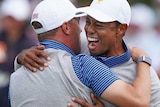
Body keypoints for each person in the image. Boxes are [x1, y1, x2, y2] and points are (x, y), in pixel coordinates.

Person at [9, 0, 152, 107]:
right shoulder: (83, 65)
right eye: (78, 22)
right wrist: (143, 59)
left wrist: (19, 60)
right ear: (66, 27)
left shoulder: (16, 78)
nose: (82, 29)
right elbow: (139, 101)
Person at [0, 0, 36, 107]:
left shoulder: (29, 44)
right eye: (8, 18)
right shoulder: (1, 38)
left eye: (13, 19)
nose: (9, 22)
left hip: (16, 94)